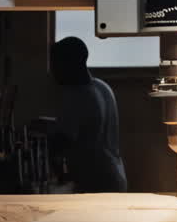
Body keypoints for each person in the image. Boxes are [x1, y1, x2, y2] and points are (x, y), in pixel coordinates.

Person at [50, 36, 129, 193]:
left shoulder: (76, 96)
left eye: (56, 65)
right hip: (116, 178)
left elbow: (61, 142)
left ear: (69, 64)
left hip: (97, 184)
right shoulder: (102, 87)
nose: (53, 72)